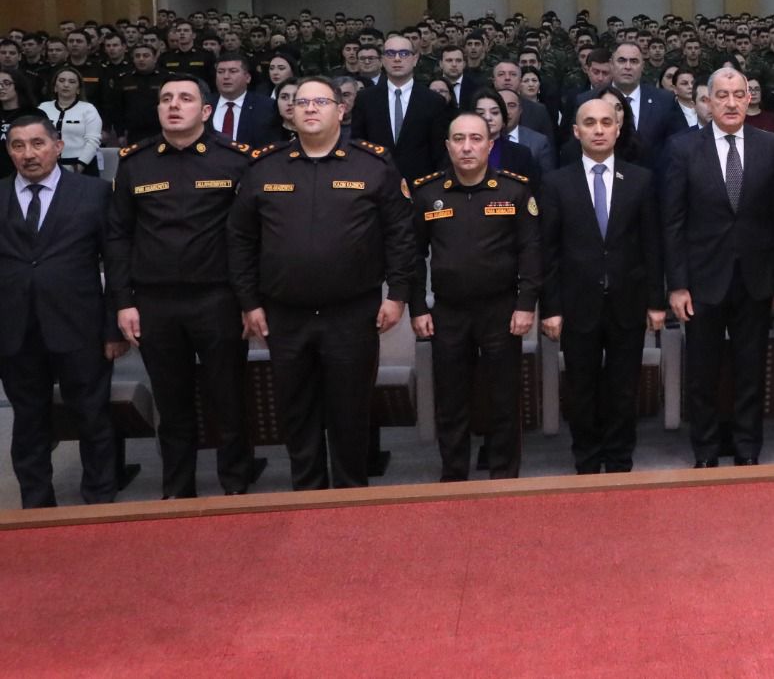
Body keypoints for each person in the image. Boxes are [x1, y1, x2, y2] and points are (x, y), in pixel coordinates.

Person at [228, 76, 417, 490]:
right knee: (296, 411)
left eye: (320, 102)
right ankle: (307, 496)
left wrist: (398, 295)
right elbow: (240, 239)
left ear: (341, 110)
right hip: (284, 313)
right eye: (302, 102)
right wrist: (249, 302)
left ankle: (350, 497)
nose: (310, 108)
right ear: (290, 113)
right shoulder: (264, 166)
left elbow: (401, 234)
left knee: (350, 412)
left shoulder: (373, 164)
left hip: (352, 312)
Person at [106, 74, 260, 498]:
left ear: (206, 111)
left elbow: (252, 235)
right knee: (171, 405)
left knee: (228, 400)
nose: (174, 105)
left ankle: (236, 484)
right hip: (155, 302)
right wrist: (123, 301)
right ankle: (177, 490)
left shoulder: (234, 160)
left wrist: (250, 300)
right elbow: (118, 237)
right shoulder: (135, 162)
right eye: (166, 99)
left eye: (185, 98)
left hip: (218, 299)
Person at [662, 68, 774, 467]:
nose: (731, 103)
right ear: (708, 101)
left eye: (738, 95)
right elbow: (673, 222)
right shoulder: (682, 148)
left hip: (756, 278)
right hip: (702, 281)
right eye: (722, 96)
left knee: (751, 369)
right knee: (703, 372)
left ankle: (748, 449)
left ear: (749, 99)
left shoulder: (771, 146)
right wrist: (677, 284)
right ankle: (706, 450)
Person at [0, 112, 126, 508]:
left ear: (57, 146)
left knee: (92, 417)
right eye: (18, 146)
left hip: (80, 328)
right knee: (28, 422)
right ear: (9, 151)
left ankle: (100, 499)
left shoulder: (93, 193)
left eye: (37, 144)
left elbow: (116, 263)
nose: (28, 154)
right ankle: (36, 507)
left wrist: (113, 328)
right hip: (15, 331)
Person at [409, 111, 541, 480]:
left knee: (503, 398)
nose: (467, 147)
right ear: (447, 146)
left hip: (501, 311)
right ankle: (454, 475)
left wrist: (526, 304)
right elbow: (412, 255)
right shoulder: (428, 193)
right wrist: (417, 307)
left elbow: (531, 251)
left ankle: (504, 475)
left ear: (490, 145)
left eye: (476, 139)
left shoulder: (514, 190)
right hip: (448, 312)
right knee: (451, 399)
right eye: (459, 139)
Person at [541, 96, 664, 470]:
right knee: (581, 387)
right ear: (576, 131)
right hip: (577, 304)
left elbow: (652, 245)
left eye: (606, 122)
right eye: (590, 123)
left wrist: (656, 302)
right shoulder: (556, 182)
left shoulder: (641, 179)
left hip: (628, 301)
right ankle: (587, 459)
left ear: (618, 128)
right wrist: (551, 308)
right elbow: (547, 251)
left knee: (623, 387)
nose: (598, 130)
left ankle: (620, 458)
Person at [348, 34, 452, 182]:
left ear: (415, 59)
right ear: (383, 60)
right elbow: (358, 145)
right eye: (390, 54)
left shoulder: (433, 101)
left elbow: (439, 152)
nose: (397, 59)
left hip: (420, 185)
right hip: (375, 182)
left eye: (404, 53)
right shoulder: (365, 99)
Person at [468, 90, 538, 183]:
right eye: (481, 113)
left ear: (503, 119)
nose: (488, 118)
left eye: (495, 112)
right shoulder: (461, 151)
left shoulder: (522, 154)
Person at [210, 52, 277, 148]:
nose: (226, 76)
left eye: (233, 71)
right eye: (220, 72)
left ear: (247, 78)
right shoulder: (204, 104)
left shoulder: (266, 106)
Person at [45, 67, 102, 176]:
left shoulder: (89, 109)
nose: (66, 85)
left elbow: (93, 141)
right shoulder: (43, 108)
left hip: (82, 167)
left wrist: (79, 166)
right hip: (49, 166)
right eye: (61, 81)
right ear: (55, 87)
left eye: (72, 82)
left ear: (78, 89)